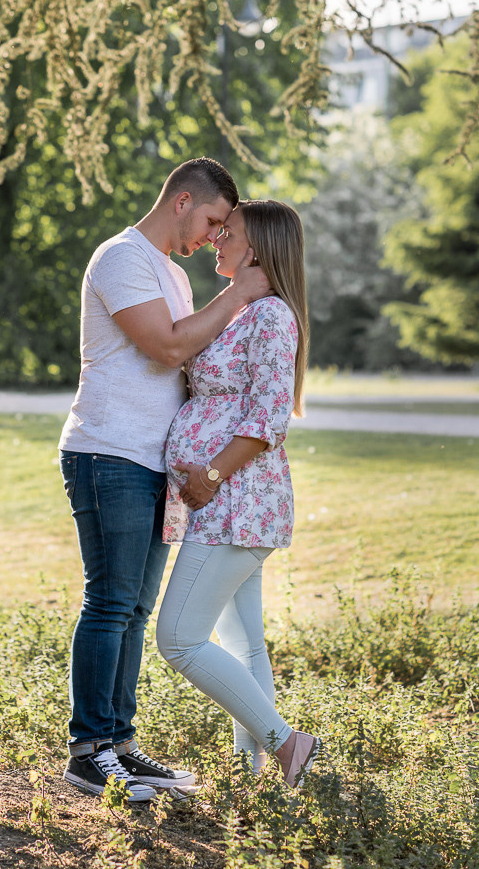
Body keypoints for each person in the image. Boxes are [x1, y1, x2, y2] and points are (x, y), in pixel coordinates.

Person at [58, 158, 272, 801]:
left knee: (136, 607)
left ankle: (119, 744)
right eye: (211, 220)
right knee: (110, 602)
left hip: (155, 464)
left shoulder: (175, 276)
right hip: (109, 455)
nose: (214, 236)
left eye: (222, 229)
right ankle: (88, 751)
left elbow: (196, 364)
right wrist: (239, 293)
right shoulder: (122, 258)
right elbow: (169, 348)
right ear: (182, 201)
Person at [156, 200, 322, 788]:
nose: (217, 241)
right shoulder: (240, 311)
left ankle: (285, 744)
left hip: (238, 505)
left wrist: (211, 475)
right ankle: (253, 777)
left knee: (177, 637)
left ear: (255, 249)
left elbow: (269, 417)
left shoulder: (273, 317)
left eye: (229, 233)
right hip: (226, 510)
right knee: (244, 644)